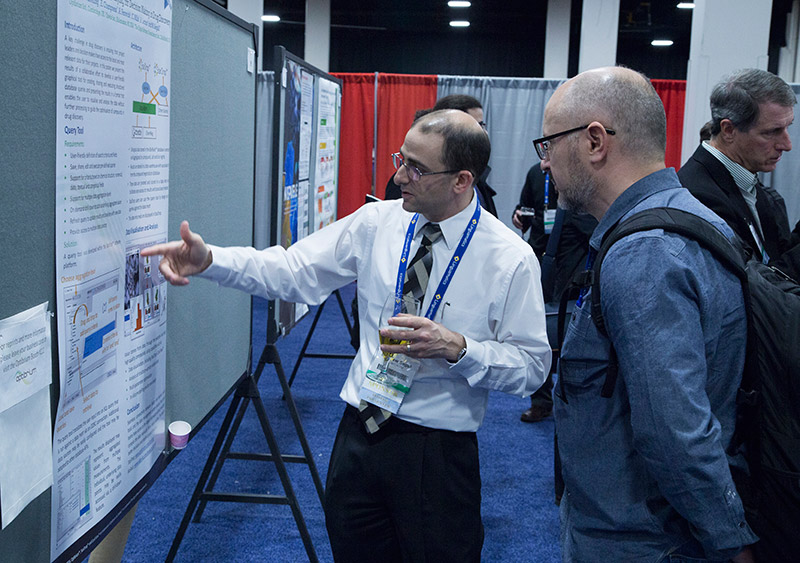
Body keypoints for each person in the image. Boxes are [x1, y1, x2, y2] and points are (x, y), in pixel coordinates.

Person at [143, 109, 551, 562]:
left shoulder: (510, 258)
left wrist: (458, 348)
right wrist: (211, 261)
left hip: (437, 452)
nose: (399, 176)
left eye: (416, 168)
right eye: (401, 158)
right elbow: (294, 270)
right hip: (360, 433)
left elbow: (532, 368)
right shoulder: (376, 223)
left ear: (462, 180)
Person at [539, 66, 757, 562]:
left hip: (644, 542)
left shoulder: (645, 254)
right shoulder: (685, 216)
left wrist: (731, 542)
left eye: (549, 144)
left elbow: (675, 430)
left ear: (595, 141)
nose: (545, 161)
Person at [678, 68, 800, 279]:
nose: (787, 145)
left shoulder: (749, 183)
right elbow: (751, 286)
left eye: (787, 127)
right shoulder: (696, 197)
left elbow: (776, 259)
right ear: (728, 130)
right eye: (772, 132)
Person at [512, 163, 596, 423]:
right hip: (538, 262)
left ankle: (572, 402)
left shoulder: (582, 183)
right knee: (536, 334)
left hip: (572, 270)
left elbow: (595, 230)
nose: (545, 162)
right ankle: (540, 401)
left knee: (569, 337)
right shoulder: (535, 174)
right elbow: (525, 206)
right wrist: (519, 215)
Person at [386, 95, 498, 218]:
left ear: (462, 180)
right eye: (477, 125)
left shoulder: (479, 182)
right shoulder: (381, 219)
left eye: (482, 125)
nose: (399, 178)